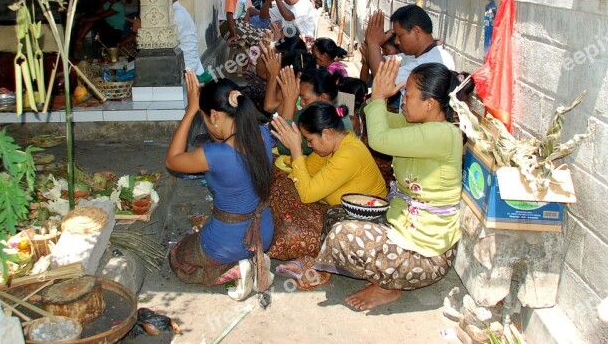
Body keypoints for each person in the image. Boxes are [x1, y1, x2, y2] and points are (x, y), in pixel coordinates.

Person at [287, 58, 474, 310]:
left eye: (409, 93)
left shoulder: (442, 134)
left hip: (426, 254)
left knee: (343, 235)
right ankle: (356, 271)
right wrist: (377, 99)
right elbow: (378, 120)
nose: (403, 98)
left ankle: (388, 287)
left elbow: (378, 138)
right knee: (336, 215)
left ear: (429, 104)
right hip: (400, 228)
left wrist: (377, 96)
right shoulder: (419, 125)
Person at [166, 73, 274, 301]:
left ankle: (234, 270)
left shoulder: (213, 155)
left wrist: (190, 111)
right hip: (264, 233)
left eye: (204, 117)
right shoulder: (263, 135)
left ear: (214, 115)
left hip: (226, 242)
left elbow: (172, 159)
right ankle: (254, 262)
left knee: (178, 257)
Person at [266, 102, 387, 271]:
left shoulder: (349, 154)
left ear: (327, 133)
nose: (308, 145)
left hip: (363, 223)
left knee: (292, 218)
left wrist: (295, 149)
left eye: (310, 140)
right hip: (336, 210)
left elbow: (307, 193)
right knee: (281, 184)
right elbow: (304, 170)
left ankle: (313, 260)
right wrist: (295, 157)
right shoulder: (333, 145)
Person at [364, 5, 455, 106]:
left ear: (416, 31)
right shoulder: (415, 55)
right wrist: (373, 44)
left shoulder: (432, 60)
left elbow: (383, 79)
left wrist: (373, 43)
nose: (396, 41)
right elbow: (382, 64)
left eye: (400, 35)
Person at [171, 0, 212, 83]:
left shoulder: (176, 14)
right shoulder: (178, 11)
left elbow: (167, 40)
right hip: (190, 62)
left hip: (187, 64)